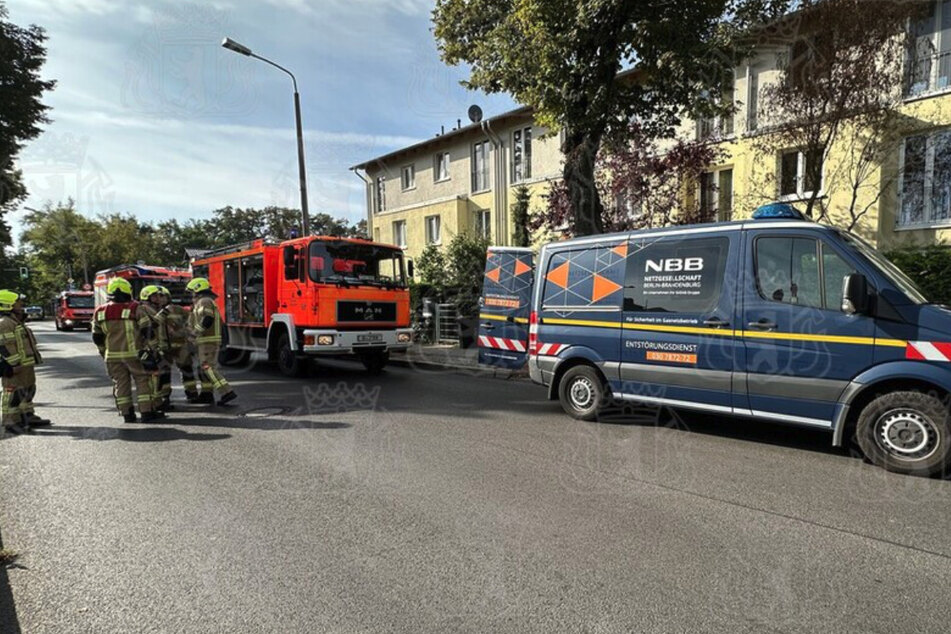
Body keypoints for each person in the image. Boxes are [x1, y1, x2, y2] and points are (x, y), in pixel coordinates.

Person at [92, 278, 165, 423]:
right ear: (128, 291)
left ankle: (127, 414)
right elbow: (147, 331)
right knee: (143, 381)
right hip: (135, 355)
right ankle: (146, 412)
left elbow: (97, 336)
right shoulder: (135, 308)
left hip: (112, 357)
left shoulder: (100, 311)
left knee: (121, 384)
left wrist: (103, 352)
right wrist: (155, 350)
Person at [0, 290, 50, 435]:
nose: (21, 304)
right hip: (15, 366)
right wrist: (13, 365)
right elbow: (4, 346)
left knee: (28, 389)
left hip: (24, 364)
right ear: (8, 305)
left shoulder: (14, 320)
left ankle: (27, 415)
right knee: (12, 393)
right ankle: (10, 421)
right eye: (17, 302)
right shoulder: (4, 323)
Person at [186, 277, 236, 406]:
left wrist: (194, 333)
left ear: (197, 289)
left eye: (192, 291)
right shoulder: (202, 302)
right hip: (204, 342)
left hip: (208, 341)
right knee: (202, 368)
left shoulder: (204, 301)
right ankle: (206, 394)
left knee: (208, 368)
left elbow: (207, 319)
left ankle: (226, 392)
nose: (192, 294)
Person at [155, 285, 197, 408]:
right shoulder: (151, 310)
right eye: (157, 297)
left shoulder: (178, 309)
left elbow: (190, 321)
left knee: (187, 370)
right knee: (164, 373)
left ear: (168, 297)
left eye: (162, 296)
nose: (159, 299)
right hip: (163, 348)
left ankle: (192, 393)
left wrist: (183, 332)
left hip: (180, 346)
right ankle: (165, 397)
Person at [138, 285, 166, 411]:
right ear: (146, 296)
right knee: (153, 375)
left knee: (159, 375)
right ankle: (154, 402)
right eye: (155, 296)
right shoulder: (144, 308)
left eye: (159, 295)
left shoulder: (153, 308)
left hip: (155, 346)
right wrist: (165, 313)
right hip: (148, 347)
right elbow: (153, 323)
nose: (158, 298)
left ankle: (158, 400)